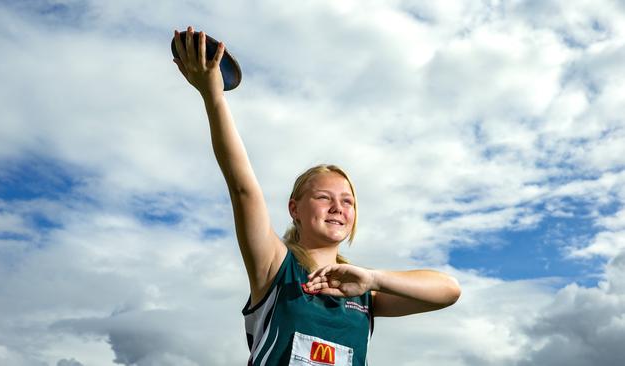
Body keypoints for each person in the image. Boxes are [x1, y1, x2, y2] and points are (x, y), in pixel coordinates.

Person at [173, 26, 461, 366]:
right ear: (294, 208)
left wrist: (372, 278)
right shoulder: (276, 268)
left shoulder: (364, 292)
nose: (338, 207)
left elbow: (449, 290)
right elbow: (243, 188)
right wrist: (214, 96)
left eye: (348, 201)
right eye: (325, 197)